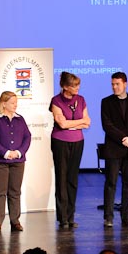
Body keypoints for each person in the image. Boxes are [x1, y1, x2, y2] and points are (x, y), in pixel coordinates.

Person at [100, 71, 128, 228]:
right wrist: (122, 138)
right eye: (112, 84)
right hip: (113, 148)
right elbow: (107, 125)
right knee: (110, 183)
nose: (114, 87)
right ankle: (108, 217)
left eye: (117, 84)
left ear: (125, 84)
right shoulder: (106, 102)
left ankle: (127, 217)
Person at [0, 90, 31, 232]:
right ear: (3, 104)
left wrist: (18, 152)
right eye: (12, 103)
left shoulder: (20, 119)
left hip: (17, 161)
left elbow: (27, 137)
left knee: (15, 191)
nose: (15, 105)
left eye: (16, 102)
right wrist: (5, 153)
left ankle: (15, 221)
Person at [49, 71, 91, 229]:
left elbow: (88, 123)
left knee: (72, 179)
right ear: (65, 87)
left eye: (78, 85)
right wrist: (79, 122)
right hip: (60, 141)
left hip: (78, 142)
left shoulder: (81, 100)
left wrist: (73, 123)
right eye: (74, 85)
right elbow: (62, 124)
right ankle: (63, 217)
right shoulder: (56, 101)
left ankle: (71, 216)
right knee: (62, 178)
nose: (78, 88)